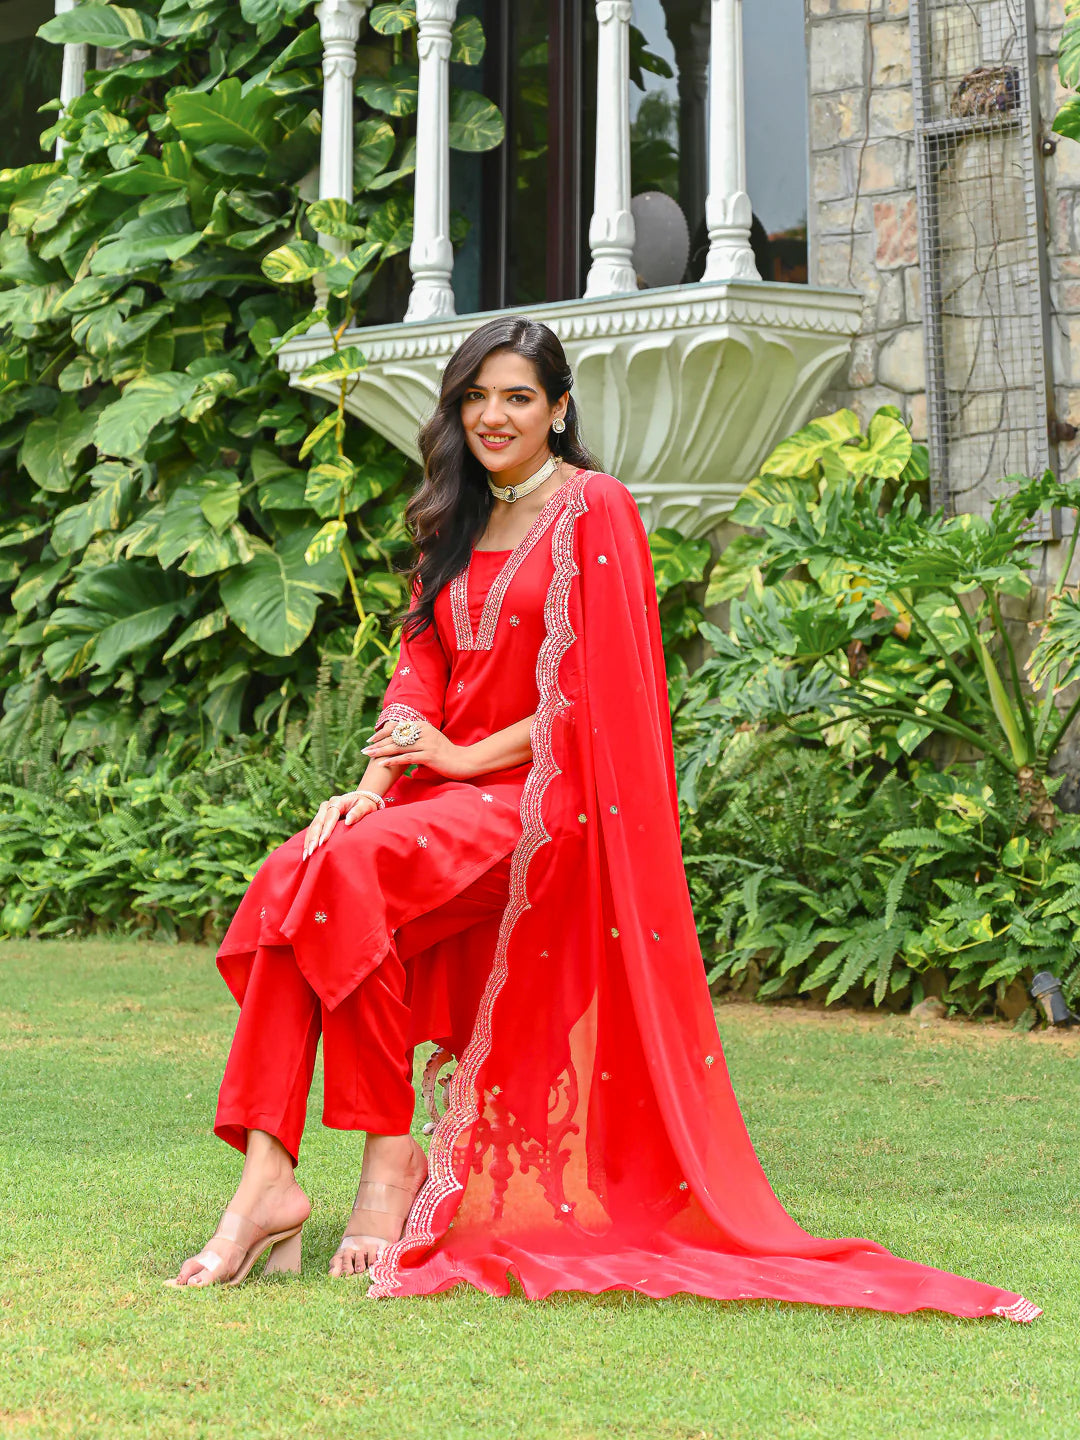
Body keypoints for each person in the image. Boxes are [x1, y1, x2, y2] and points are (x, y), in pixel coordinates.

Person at [166, 317, 1039, 1324]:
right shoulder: (450, 520)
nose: (494, 416)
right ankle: (270, 1180)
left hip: (546, 807)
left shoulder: (596, 509)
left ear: (559, 409)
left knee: (346, 875)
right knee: (299, 872)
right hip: (433, 804)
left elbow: (599, 696)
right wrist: (370, 784)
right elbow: (419, 670)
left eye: (518, 397)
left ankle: (383, 1162)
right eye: (477, 397)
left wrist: (459, 757)